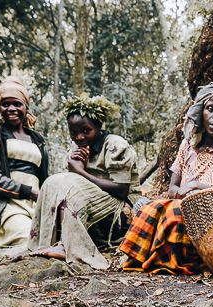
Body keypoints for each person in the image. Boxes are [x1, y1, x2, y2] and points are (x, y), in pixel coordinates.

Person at [119, 82, 213, 274]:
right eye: (211, 109)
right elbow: (172, 188)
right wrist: (183, 192)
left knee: (173, 214)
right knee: (150, 207)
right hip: (183, 205)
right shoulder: (187, 146)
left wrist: (199, 187)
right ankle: (154, 258)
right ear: (201, 113)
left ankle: (169, 261)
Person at [28, 95, 141, 270]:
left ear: (98, 126)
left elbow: (121, 191)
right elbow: (67, 185)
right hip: (97, 207)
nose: (79, 137)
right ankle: (45, 241)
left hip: (123, 211)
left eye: (86, 131)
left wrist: (80, 172)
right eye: (73, 132)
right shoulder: (77, 149)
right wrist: (76, 170)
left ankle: (67, 246)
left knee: (70, 181)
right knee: (52, 182)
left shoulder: (115, 145)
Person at [0, 76, 50, 249]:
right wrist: (29, 192)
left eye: (17, 103)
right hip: (3, 208)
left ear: (25, 106)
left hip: (35, 205)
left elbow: (45, 178)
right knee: (30, 240)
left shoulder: (38, 139)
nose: (11, 108)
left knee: (54, 240)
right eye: (5, 104)